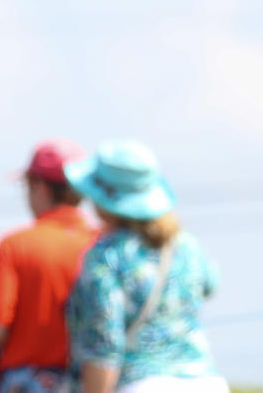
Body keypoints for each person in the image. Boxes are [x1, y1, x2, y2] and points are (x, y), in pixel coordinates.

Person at [64, 140, 228, 393]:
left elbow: (104, 347)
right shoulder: (186, 246)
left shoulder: (106, 257)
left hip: (141, 384)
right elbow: (210, 284)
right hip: (206, 383)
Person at [0, 139, 98, 393]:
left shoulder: (14, 245)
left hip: (27, 381)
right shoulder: (102, 245)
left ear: (41, 187)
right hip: (90, 380)